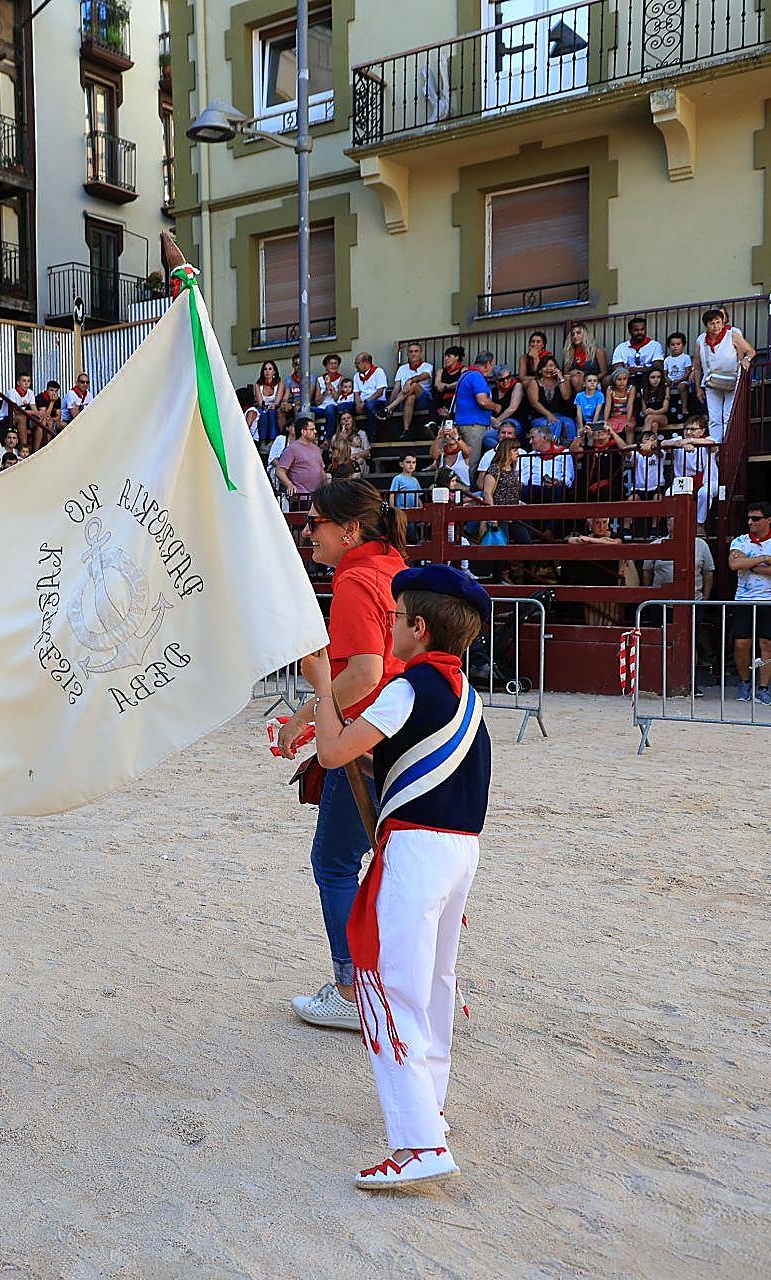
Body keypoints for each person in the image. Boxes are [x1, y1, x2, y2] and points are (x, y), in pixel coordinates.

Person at [299, 564, 492, 1190]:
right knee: (433, 985)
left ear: (418, 626)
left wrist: (323, 685)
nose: (389, 627)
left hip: (414, 850)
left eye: (396, 618)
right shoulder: (466, 691)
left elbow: (333, 752)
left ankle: (418, 1143)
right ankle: (429, 1106)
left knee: (392, 990)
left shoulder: (407, 688)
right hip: (460, 849)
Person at [277, 479, 410, 1031]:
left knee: (333, 863)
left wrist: (309, 715)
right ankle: (390, 980)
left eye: (316, 523)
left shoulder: (356, 578)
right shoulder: (394, 566)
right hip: (407, 731)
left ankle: (352, 988)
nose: (310, 533)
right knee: (386, 864)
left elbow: (363, 672)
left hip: (366, 737)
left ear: (349, 529)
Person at [728, 501, 771, 706]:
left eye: (755, 519)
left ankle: (763, 688)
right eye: (749, 518)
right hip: (744, 600)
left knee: (769, 644)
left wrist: (750, 564)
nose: (750, 522)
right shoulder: (740, 540)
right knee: (741, 644)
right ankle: (745, 682)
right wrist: (764, 558)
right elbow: (734, 564)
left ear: (768, 520)